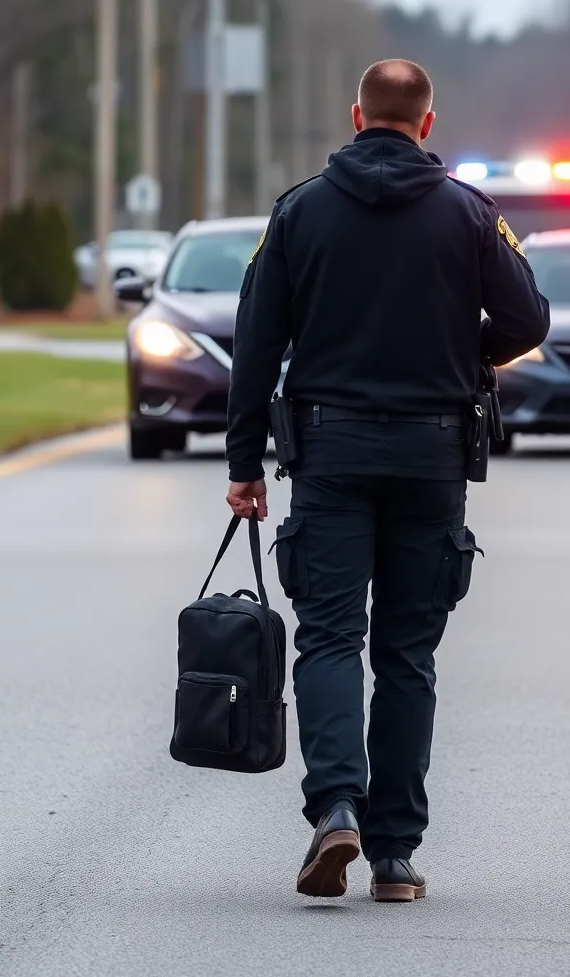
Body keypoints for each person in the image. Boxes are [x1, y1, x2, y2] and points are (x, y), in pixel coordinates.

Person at [225, 58, 549, 901]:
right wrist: (465, 354)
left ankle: (337, 806)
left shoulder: (299, 212)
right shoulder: (470, 214)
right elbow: (528, 319)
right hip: (431, 455)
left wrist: (244, 465)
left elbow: (255, 343)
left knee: (330, 637)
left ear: (356, 115)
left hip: (329, 453)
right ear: (427, 123)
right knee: (407, 653)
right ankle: (395, 854)